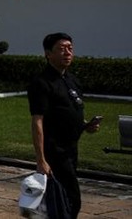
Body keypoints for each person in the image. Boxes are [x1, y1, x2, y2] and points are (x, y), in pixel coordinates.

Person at [28, 32, 101, 219]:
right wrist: (40, 160)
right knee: (71, 199)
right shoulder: (42, 82)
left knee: (62, 199)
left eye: (70, 48)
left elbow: (68, 112)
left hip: (71, 148)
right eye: (61, 49)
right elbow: (38, 120)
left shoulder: (72, 80)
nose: (67, 52)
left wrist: (86, 125)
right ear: (48, 54)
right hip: (54, 150)